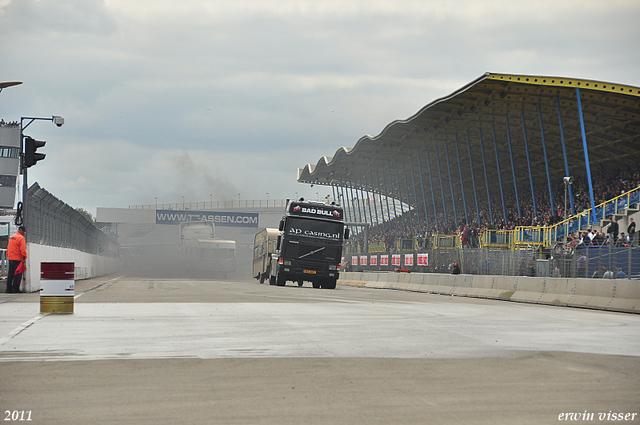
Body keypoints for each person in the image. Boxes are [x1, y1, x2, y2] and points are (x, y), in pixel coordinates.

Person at [6, 226, 27, 293]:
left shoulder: (11, 237)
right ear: (23, 231)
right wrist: (24, 258)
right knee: (18, 274)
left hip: (10, 257)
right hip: (18, 258)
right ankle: (16, 289)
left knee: (10, 274)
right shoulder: (21, 238)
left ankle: (9, 289)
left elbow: (8, 247)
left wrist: (8, 255)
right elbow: (22, 249)